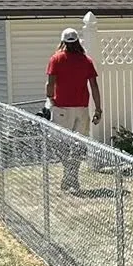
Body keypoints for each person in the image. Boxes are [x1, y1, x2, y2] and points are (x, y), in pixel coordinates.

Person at [46, 27, 103, 191]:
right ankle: (72, 176)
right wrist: (98, 109)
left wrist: (50, 100)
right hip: (82, 109)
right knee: (79, 145)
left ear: (63, 42)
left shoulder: (56, 59)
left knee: (60, 143)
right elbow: (94, 86)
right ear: (77, 42)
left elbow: (50, 83)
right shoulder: (86, 61)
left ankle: (68, 173)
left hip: (61, 107)